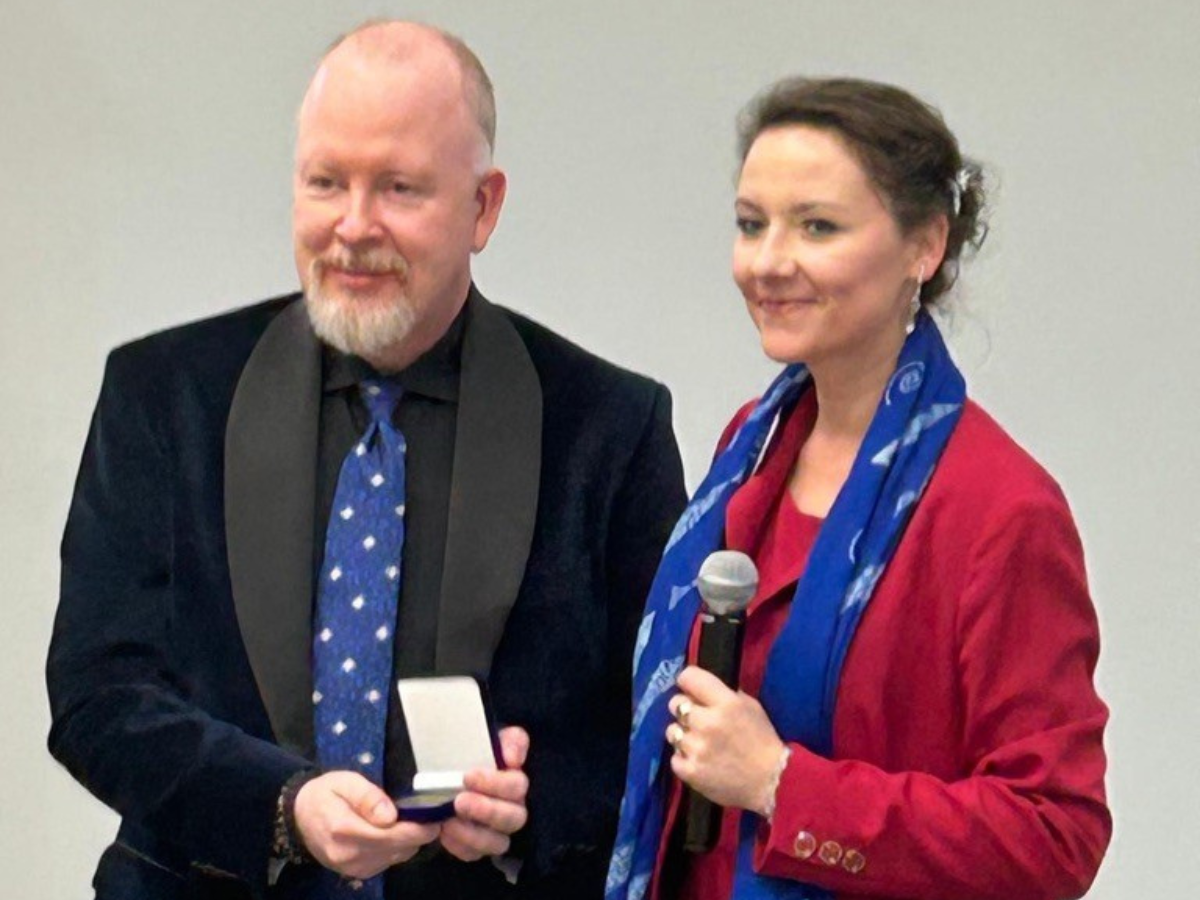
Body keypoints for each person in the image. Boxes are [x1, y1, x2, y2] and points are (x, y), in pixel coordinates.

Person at [47, 20, 686, 900]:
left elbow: (657, 735)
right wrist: (283, 805)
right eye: (325, 183)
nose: (353, 227)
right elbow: (98, 696)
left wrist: (525, 810)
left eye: (399, 188)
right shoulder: (162, 396)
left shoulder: (609, 426)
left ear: (484, 207)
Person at [607, 77, 1110, 900]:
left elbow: (1057, 833)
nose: (769, 261)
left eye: (817, 226)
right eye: (751, 224)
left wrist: (781, 785)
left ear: (925, 247)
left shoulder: (999, 509)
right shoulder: (752, 444)